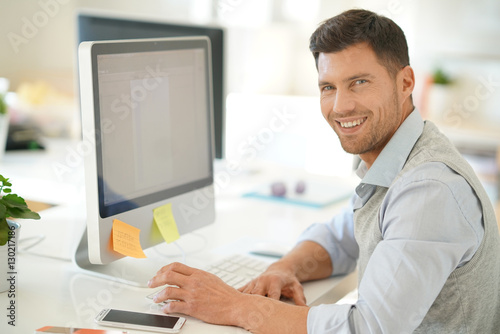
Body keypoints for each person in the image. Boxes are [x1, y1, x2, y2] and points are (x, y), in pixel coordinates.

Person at [148, 9, 500, 333]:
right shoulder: (396, 158)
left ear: (405, 82)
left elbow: (369, 328)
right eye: (328, 87)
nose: (340, 106)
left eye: (359, 82)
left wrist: (235, 305)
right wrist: (284, 269)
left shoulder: (429, 188)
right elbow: (340, 239)